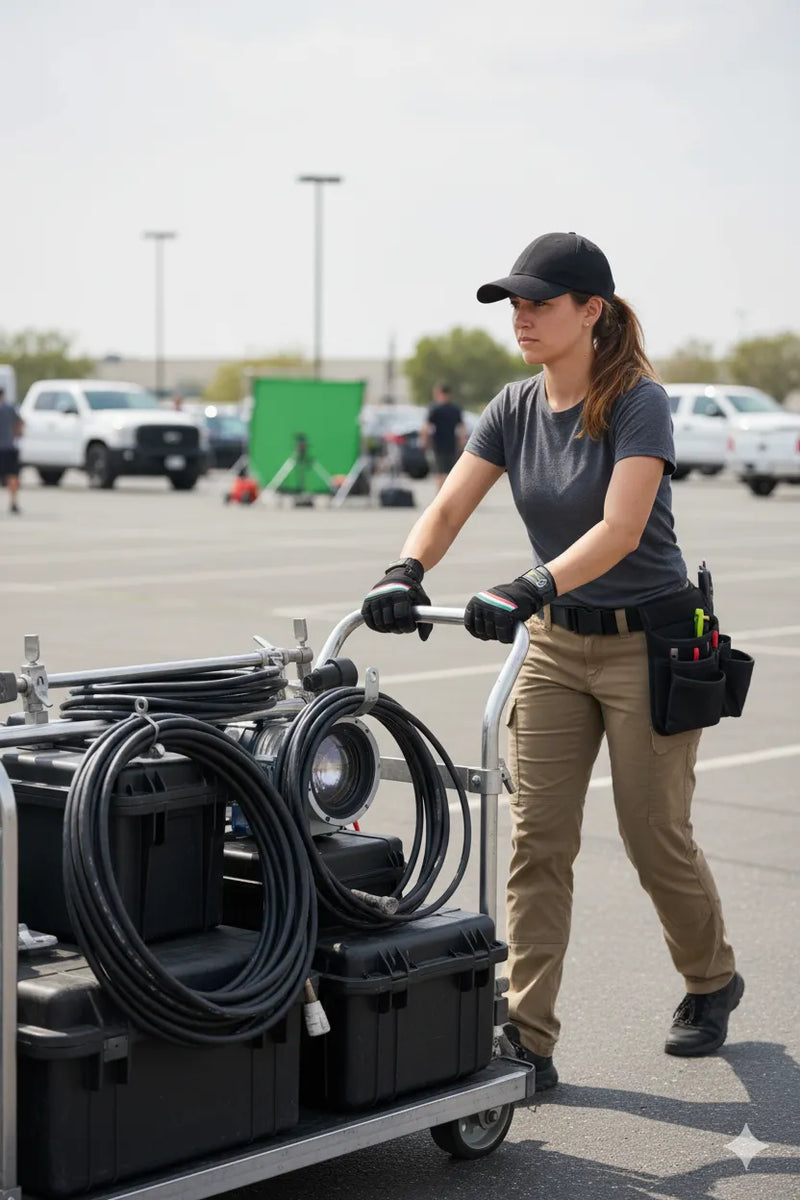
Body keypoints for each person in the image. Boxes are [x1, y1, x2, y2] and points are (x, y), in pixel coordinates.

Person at [360, 231, 743, 1092]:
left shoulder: (639, 401)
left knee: (655, 838)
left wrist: (529, 581)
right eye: (515, 305)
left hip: (653, 642)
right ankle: (527, 1038)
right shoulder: (512, 405)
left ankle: (712, 978)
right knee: (538, 841)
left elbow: (620, 527)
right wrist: (406, 568)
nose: (523, 318)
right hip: (557, 645)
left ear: (590, 312)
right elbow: (450, 504)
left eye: (539, 304)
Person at [419, 381, 466, 491]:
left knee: (439, 472)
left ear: (440, 393)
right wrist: (462, 441)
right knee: (451, 472)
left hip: (438, 444)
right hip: (452, 444)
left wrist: (423, 441)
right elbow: (462, 427)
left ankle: (440, 495)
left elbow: (426, 427)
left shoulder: (434, 408)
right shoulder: (455, 409)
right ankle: (450, 494)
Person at [0, 386, 24, 515]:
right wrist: (17, 433)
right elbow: (20, 422)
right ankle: (14, 502)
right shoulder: (9, 408)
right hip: (9, 447)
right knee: (12, 476)